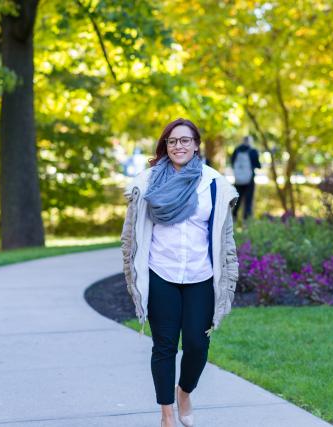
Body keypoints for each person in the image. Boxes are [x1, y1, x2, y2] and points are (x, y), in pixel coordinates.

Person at [120, 118, 240, 427]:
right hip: (161, 273)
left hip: (200, 276)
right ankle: (167, 415)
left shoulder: (213, 185)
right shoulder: (147, 183)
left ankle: (184, 392)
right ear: (165, 146)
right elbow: (130, 236)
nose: (179, 146)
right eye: (173, 141)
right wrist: (131, 272)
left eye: (185, 140)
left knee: (198, 345)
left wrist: (229, 274)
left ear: (197, 145)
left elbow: (225, 237)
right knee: (164, 345)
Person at [231, 135, 261, 220]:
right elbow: (258, 165)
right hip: (249, 180)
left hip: (238, 180)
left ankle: (234, 217)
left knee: (237, 200)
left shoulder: (237, 150)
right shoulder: (253, 151)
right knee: (248, 201)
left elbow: (232, 162)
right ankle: (246, 220)